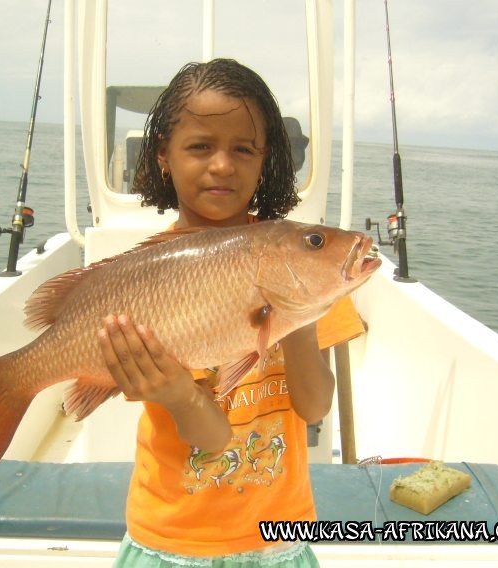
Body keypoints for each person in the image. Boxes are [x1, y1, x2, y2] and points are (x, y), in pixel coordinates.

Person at [97, 58, 364, 567]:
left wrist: (295, 310)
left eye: (243, 149)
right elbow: (211, 440)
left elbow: (314, 406)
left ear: (265, 160)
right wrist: (177, 394)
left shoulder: (298, 264)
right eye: (201, 146)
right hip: (170, 539)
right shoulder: (149, 277)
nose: (223, 165)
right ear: (164, 157)